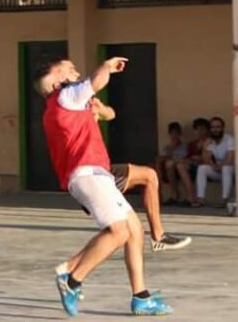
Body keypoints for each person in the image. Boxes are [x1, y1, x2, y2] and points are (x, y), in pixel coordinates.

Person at [37, 56, 173, 317]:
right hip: (89, 174)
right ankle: (72, 279)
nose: (75, 69)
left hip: (94, 175)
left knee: (134, 231)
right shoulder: (66, 96)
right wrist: (108, 66)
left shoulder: (62, 106)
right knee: (119, 231)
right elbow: (96, 80)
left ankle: (141, 297)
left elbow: (108, 112)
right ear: (58, 78)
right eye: (68, 67)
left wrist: (100, 109)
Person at [91, 100, 191, 252]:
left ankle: (158, 238)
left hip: (100, 170)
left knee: (149, 177)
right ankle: (71, 271)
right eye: (72, 73)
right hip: (90, 174)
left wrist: (97, 108)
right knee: (123, 232)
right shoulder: (68, 107)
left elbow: (110, 113)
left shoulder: (83, 103)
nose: (76, 74)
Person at [194, 117, 235, 208]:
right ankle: (201, 199)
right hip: (218, 170)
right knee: (202, 168)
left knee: (226, 168)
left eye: (218, 127)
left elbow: (230, 158)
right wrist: (205, 146)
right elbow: (206, 160)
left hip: (231, 170)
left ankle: (225, 199)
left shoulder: (229, 139)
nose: (215, 129)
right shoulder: (210, 141)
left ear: (222, 128)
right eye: (213, 127)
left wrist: (220, 166)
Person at [174, 118, 209, 204]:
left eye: (202, 129)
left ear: (207, 130)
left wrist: (200, 158)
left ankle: (191, 197)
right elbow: (188, 157)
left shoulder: (210, 142)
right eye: (197, 129)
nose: (200, 132)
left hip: (206, 167)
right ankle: (189, 196)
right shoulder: (192, 144)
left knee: (181, 166)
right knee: (179, 165)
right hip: (193, 166)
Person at [157, 121, 189, 205]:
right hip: (168, 171)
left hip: (180, 169)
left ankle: (175, 195)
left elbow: (182, 159)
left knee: (170, 164)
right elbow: (162, 158)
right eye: (172, 133)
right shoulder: (167, 147)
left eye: (176, 133)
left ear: (180, 134)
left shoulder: (184, 146)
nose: (174, 135)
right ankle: (159, 196)